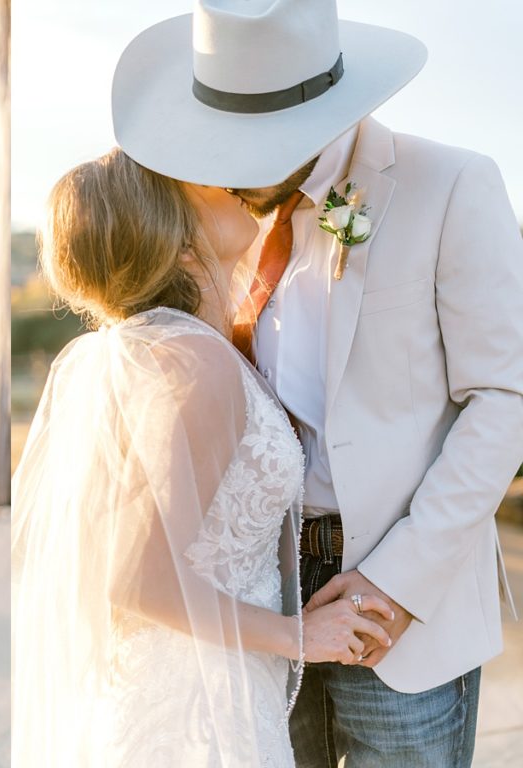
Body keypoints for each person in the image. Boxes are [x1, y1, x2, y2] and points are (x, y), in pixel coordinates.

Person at [111, 1, 523, 765]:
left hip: (402, 604)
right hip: (256, 600)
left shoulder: (453, 184)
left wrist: (397, 581)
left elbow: (506, 399)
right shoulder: (216, 216)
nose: (228, 164)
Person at [12, 148, 394, 766]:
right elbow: (135, 578)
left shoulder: (164, 353)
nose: (225, 180)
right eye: (197, 186)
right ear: (177, 238)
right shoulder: (197, 364)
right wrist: (300, 637)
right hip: (195, 709)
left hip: (192, 682)